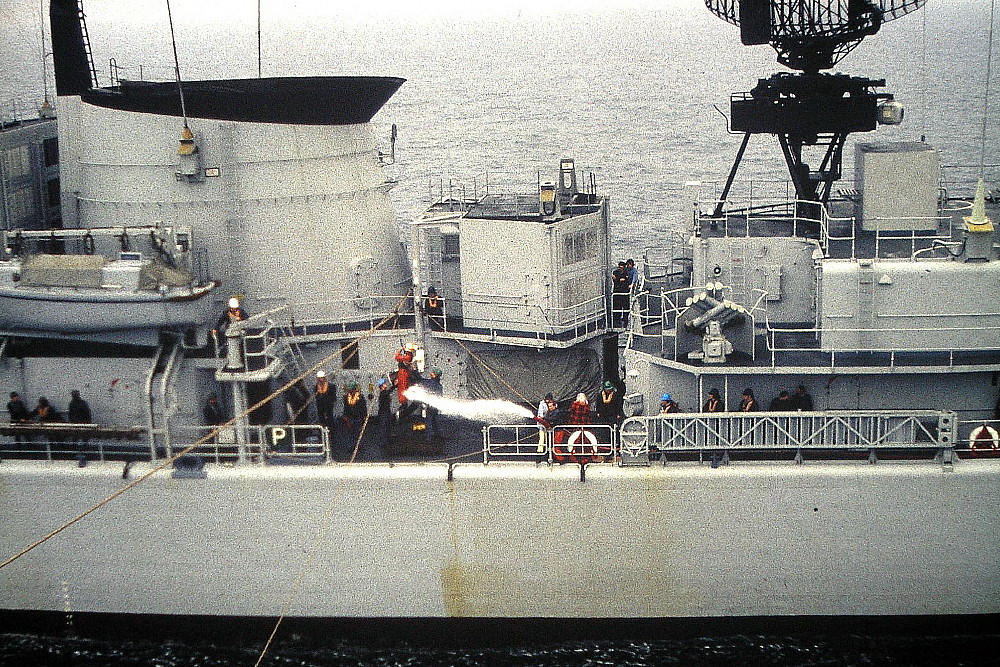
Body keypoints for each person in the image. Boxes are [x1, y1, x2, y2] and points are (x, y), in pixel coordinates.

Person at [341, 381, 368, 451]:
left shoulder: (360, 397)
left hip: (358, 417)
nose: (351, 391)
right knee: (350, 432)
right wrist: (345, 416)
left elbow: (363, 407)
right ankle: (351, 446)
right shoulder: (346, 397)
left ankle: (359, 446)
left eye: (352, 390)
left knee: (358, 432)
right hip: (350, 417)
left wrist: (365, 417)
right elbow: (346, 408)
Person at [314, 370, 336, 438]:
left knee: (330, 417)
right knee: (321, 418)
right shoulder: (316, 387)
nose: (320, 380)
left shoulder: (331, 386)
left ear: (324, 378)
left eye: (321, 378)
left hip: (328, 405)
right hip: (320, 406)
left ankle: (331, 432)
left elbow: (333, 396)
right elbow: (316, 397)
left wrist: (329, 401)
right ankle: (322, 432)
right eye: (319, 378)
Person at [611, 261, 630, 327]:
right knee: (616, 306)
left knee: (625, 307)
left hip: (624, 292)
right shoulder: (615, 272)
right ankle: (616, 320)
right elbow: (616, 280)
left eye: (621, 267)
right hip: (617, 292)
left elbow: (625, 282)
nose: (620, 269)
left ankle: (625, 320)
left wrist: (617, 280)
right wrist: (619, 280)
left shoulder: (626, 273)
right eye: (619, 267)